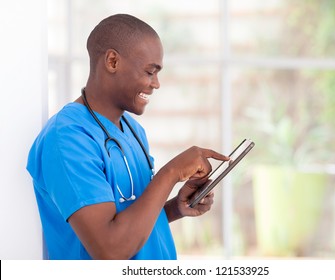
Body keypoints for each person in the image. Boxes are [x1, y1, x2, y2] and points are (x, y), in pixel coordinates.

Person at [26, 14, 229, 260]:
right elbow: (110, 249)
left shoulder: (132, 130)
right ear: (112, 61)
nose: (156, 84)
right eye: (150, 72)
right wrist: (171, 172)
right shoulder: (67, 138)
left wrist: (174, 208)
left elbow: (130, 219)